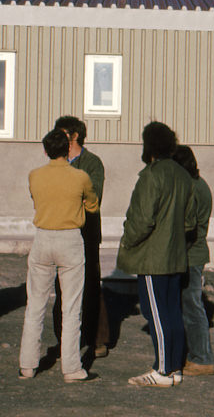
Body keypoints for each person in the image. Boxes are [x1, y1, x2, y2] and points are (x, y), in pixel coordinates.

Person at [117, 122, 196, 387]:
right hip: (175, 256)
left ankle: (162, 370)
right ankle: (173, 368)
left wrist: (128, 240)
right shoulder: (183, 175)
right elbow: (189, 222)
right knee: (172, 311)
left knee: (156, 314)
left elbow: (142, 220)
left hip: (153, 257)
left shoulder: (151, 175)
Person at [19, 128, 99, 382]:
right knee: (71, 306)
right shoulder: (81, 176)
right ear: (68, 149)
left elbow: (35, 199)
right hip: (70, 239)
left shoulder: (35, 175)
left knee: (35, 304)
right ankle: (71, 367)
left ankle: (27, 365)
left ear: (45, 150)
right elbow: (93, 204)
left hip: (42, 237)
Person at [52, 115, 110, 359]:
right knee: (61, 286)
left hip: (86, 234)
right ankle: (64, 339)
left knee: (90, 285)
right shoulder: (58, 161)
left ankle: (98, 338)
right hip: (61, 233)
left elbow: (92, 198)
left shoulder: (92, 162)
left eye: (62, 133)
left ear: (74, 136)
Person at [172, 145, 214, 376]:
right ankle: (196, 355)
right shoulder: (200, 185)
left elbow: (187, 227)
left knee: (191, 306)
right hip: (195, 253)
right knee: (190, 305)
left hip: (190, 254)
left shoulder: (191, 188)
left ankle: (201, 358)